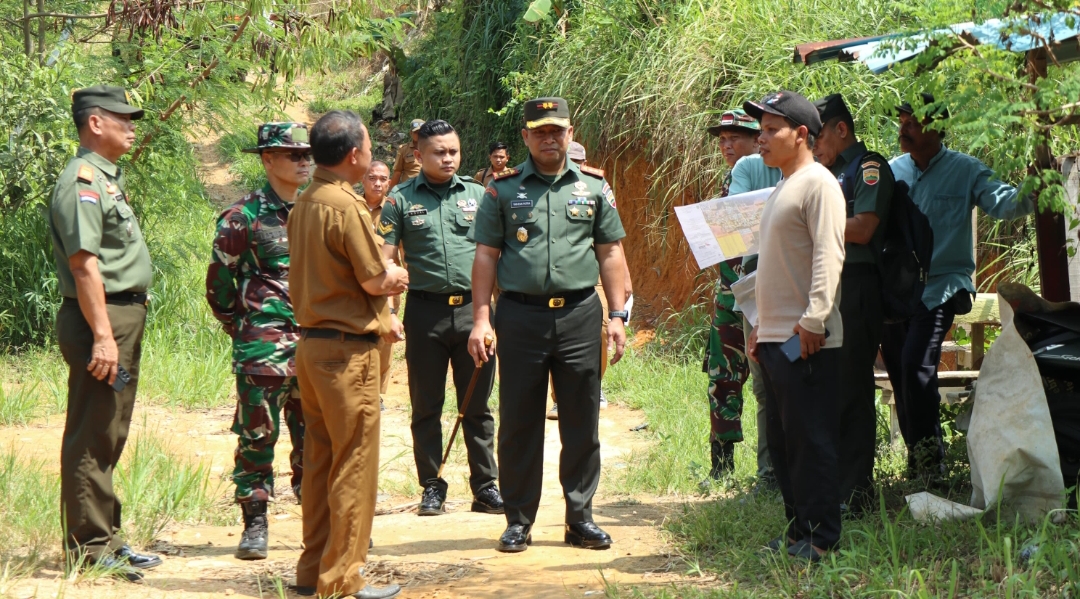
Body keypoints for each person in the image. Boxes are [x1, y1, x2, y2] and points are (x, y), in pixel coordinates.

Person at [467, 97, 628, 553]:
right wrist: (481, 318)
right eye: (539, 131)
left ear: (570, 133)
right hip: (520, 316)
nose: (549, 138)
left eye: (556, 130)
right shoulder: (502, 190)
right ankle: (518, 520)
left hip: (580, 314)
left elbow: (610, 252)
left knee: (581, 419)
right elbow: (486, 256)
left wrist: (617, 315)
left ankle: (580, 518)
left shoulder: (593, 187)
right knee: (519, 420)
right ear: (526, 137)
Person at [289, 110, 409, 599]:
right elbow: (375, 279)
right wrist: (396, 277)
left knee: (320, 462)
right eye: (369, 147)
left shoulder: (305, 201)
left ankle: (312, 572)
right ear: (355, 154)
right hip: (347, 353)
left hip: (313, 348)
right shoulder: (346, 206)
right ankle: (341, 580)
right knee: (354, 466)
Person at [883, 93, 1033, 480]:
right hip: (897, 293)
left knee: (916, 365)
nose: (904, 128)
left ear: (937, 128)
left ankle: (932, 463)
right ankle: (919, 458)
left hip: (942, 287)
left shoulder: (965, 170)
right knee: (902, 373)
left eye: (913, 122)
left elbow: (1007, 204)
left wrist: (1041, 181)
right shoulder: (891, 171)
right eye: (902, 121)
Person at [49, 85, 161, 581]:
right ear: (95, 123)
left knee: (109, 430)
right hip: (102, 318)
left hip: (119, 316)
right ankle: (89, 548)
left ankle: (107, 537)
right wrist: (102, 336)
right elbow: (83, 265)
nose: (131, 127)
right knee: (93, 432)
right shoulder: (82, 182)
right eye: (123, 118)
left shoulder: (104, 178)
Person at [379, 119, 504, 517]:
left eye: (453, 151)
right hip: (425, 313)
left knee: (478, 405)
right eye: (439, 152)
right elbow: (385, 259)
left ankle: (485, 487)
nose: (448, 158)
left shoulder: (479, 194)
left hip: (474, 312)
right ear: (418, 155)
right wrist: (389, 311)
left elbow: (497, 254)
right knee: (426, 404)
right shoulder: (399, 200)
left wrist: (498, 314)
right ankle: (432, 485)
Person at [744, 90, 845, 561]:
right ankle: (797, 532)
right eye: (760, 131)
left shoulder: (818, 184)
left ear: (801, 134)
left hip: (804, 339)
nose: (761, 139)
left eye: (771, 130)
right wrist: (759, 327)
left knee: (810, 440)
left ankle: (821, 540)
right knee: (786, 443)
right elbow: (777, 267)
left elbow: (829, 254)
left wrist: (814, 319)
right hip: (775, 337)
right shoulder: (784, 186)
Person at [205, 122, 311, 560]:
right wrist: (244, 326)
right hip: (263, 347)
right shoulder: (243, 216)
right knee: (257, 438)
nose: (304, 161)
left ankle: (321, 525)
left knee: (317, 440)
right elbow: (219, 284)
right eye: (293, 154)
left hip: (316, 345)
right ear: (268, 159)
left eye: (307, 154)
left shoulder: (319, 209)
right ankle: (255, 523)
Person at [812, 94, 894, 512]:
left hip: (857, 286)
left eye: (818, 137)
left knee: (853, 388)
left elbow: (862, 229)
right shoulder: (823, 174)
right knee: (830, 386)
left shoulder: (867, 167)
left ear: (840, 129)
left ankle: (857, 491)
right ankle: (835, 484)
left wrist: (812, 222)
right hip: (828, 286)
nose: (813, 147)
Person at [698, 109, 779, 480]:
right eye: (722, 140)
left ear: (756, 139)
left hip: (762, 296)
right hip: (730, 296)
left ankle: (772, 468)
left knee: (768, 382)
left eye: (735, 138)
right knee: (723, 378)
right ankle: (722, 465)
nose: (727, 146)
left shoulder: (771, 173)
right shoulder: (735, 177)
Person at [547, 140, 632, 420]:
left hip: (595, 278)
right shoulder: (546, 190)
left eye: (578, 161)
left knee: (602, 333)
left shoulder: (595, 188)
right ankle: (559, 397)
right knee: (555, 336)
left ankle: (595, 385)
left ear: (584, 162)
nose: (574, 165)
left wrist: (625, 279)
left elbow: (612, 241)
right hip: (559, 280)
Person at [361, 160, 396, 409]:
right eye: (372, 178)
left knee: (385, 335)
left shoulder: (395, 208)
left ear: (389, 182)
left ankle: (377, 392)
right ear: (363, 180)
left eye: (383, 179)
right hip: (359, 282)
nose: (377, 183)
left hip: (389, 283)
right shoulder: (352, 207)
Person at [388, 119, 424, 190]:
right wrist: (392, 192)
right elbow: (397, 172)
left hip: (426, 189)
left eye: (421, 132)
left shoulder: (431, 149)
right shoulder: (404, 149)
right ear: (411, 133)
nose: (419, 135)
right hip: (408, 189)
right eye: (416, 132)